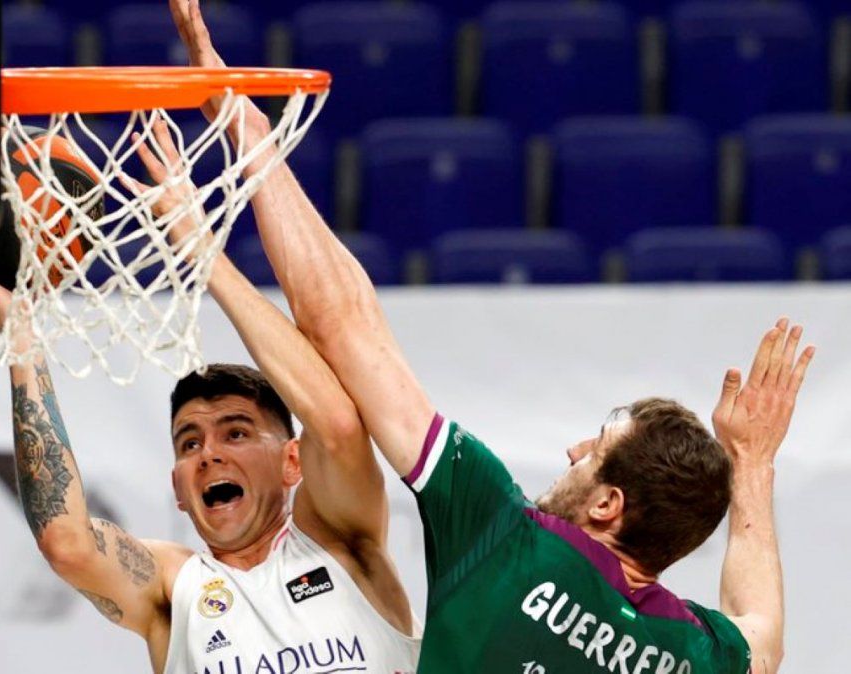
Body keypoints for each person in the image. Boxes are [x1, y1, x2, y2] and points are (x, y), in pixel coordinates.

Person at [165, 2, 815, 672]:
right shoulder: (687, 653)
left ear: (606, 504)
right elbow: (764, 642)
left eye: (595, 450)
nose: (574, 449)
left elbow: (341, 321)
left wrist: (250, 133)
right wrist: (753, 463)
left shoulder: (504, 538)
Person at [0, 111, 420, 674]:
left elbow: (335, 425)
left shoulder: (345, 545)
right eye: (189, 443)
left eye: (236, 433)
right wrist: (22, 343)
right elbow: (68, 543)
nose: (208, 454)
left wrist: (202, 252)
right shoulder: (174, 588)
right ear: (179, 490)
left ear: (293, 461)